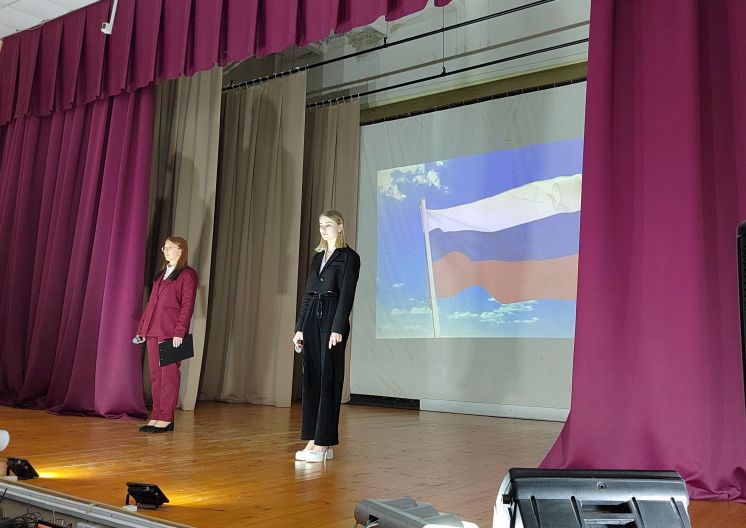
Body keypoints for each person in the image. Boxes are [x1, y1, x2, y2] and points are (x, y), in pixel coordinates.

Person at [293, 210, 360, 462]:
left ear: (340, 227)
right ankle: (313, 438)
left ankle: (324, 442)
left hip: (332, 317)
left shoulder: (349, 257)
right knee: (312, 379)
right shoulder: (317, 257)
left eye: (328, 225)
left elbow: (347, 295)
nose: (323, 229)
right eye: (321, 225)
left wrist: (338, 328)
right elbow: (308, 294)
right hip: (313, 317)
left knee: (328, 380)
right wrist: (299, 327)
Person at [134, 237, 198, 433]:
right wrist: (142, 330)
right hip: (154, 331)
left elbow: (187, 305)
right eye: (165, 248)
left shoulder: (187, 275)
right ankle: (156, 415)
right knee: (156, 376)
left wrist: (180, 331)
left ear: (181, 250)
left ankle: (166, 418)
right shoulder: (161, 275)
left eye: (170, 247)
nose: (166, 251)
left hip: (171, 333)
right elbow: (151, 304)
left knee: (169, 376)